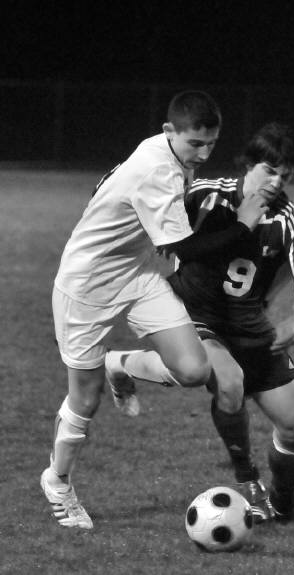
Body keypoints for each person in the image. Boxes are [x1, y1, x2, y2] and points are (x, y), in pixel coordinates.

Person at [40, 90, 267, 530]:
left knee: (194, 370)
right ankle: (58, 481)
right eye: (195, 144)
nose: (203, 154)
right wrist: (243, 225)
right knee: (85, 397)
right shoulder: (157, 168)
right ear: (169, 132)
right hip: (87, 286)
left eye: (211, 144)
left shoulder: (161, 150)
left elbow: (109, 190)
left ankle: (118, 363)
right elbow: (187, 250)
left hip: (137, 275)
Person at [166, 122, 294, 522]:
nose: (276, 183)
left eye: (285, 176)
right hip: (198, 315)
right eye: (269, 171)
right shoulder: (206, 194)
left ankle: (283, 504)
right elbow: (158, 224)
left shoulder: (288, 217)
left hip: (250, 325)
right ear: (249, 165)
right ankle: (247, 479)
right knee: (230, 382)